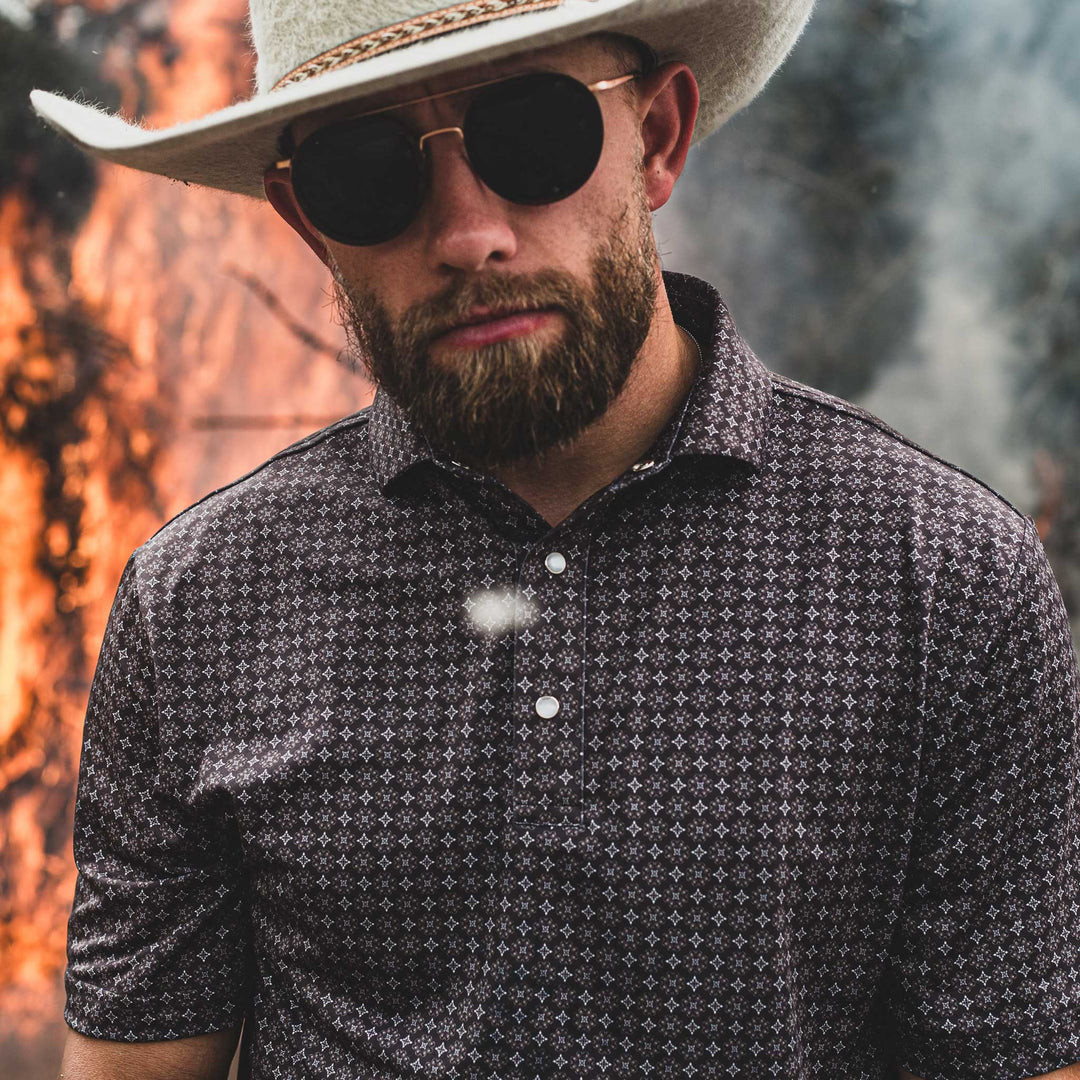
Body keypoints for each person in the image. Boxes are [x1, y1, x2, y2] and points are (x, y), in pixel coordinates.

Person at [32, 2, 1080, 1078]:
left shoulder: (944, 581)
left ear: (659, 137)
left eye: (533, 135)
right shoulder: (200, 604)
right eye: (367, 173)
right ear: (308, 223)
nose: (468, 234)